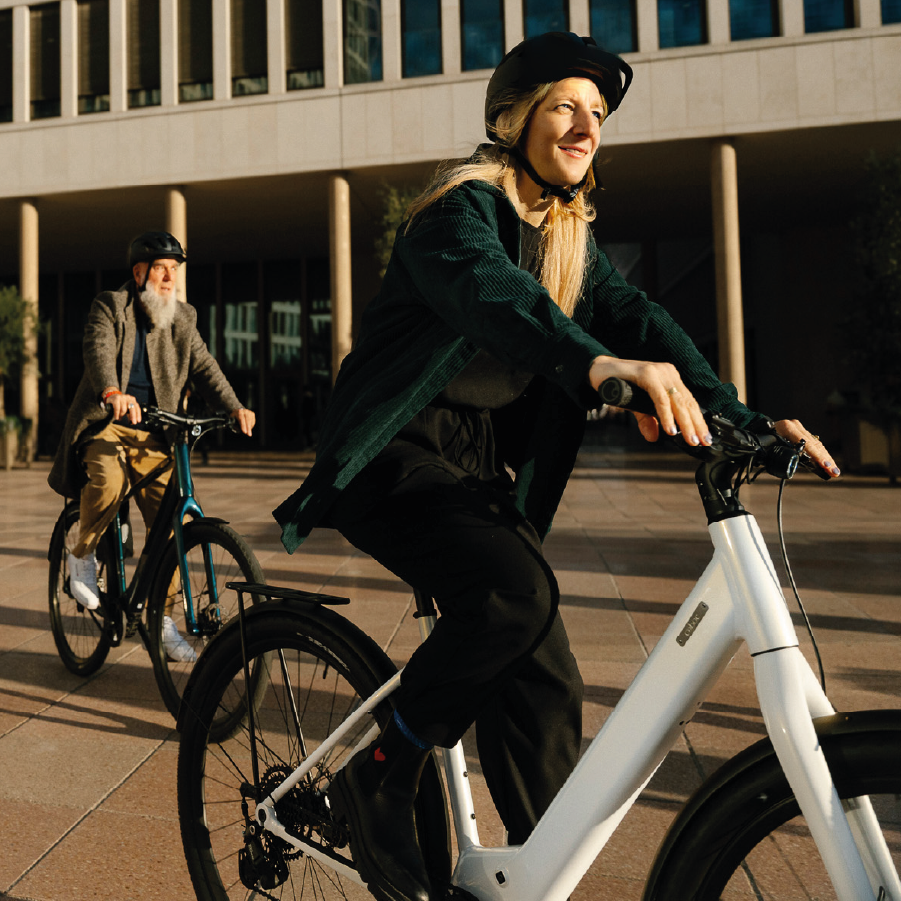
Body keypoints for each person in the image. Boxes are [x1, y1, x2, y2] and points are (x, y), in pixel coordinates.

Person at [273, 32, 840, 901]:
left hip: (467, 467)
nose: (585, 127)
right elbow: (497, 299)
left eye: (597, 115)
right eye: (566, 107)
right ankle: (378, 772)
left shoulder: (569, 238)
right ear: (516, 120)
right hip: (392, 452)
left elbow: (643, 323)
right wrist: (598, 367)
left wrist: (737, 415)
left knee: (541, 666)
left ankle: (538, 873)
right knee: (513, 595)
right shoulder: (458, 214)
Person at [48, 231, 255, 662]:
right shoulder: (112, 306)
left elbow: (205, 367)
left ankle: (159, 617)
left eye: (174, 270)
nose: (168, 278)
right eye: (160, 269)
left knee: (173, 518)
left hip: (155, 432)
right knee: (105, 480)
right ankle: (81, 555)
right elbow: (98, 349)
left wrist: (235, 407)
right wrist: (111, 390)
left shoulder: (182, 317)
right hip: (108, 422)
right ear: (139, 273)